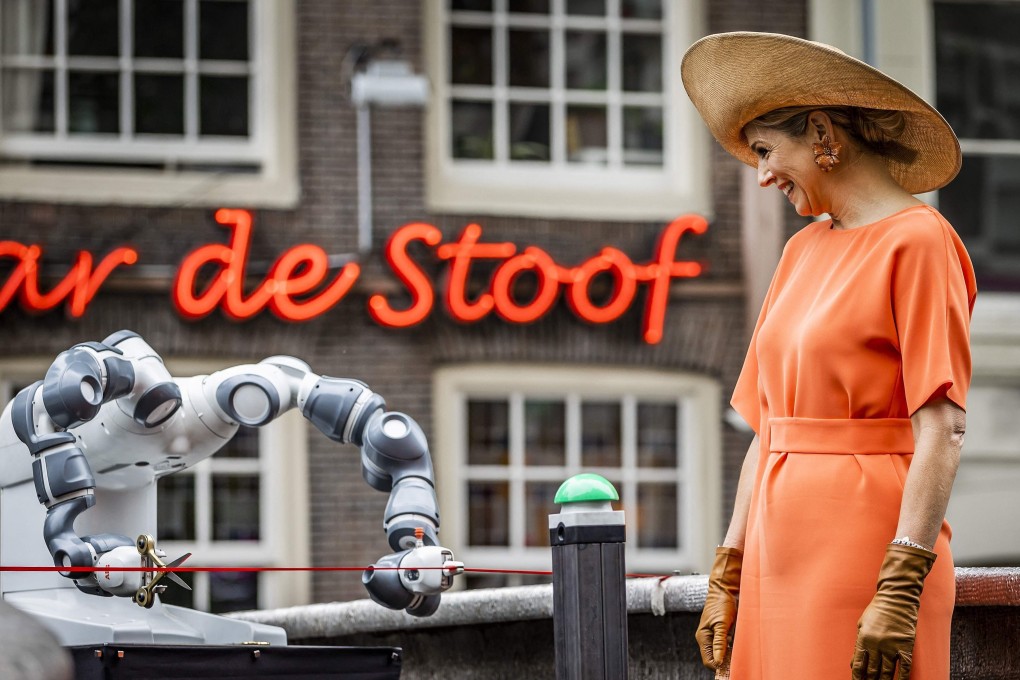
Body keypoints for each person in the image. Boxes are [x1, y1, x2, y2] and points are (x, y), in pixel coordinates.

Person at [681, 32, 977, 680]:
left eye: (765, 151)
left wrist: (901, 581)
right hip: (775, 555)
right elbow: (768, 430)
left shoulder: (920, 243)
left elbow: (943, 428)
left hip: (868, 557)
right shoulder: (800, 251)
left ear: (821, 132)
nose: (761, 175)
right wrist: (729, 567)